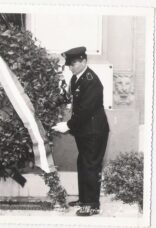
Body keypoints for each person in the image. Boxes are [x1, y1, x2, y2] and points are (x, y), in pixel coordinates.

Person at [52, 46, 109, 216]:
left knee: (90, 165)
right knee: (83, 163)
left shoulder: (91, 80)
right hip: (85, 131)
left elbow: (86, 110)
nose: (71, 67)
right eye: (69, 64)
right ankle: (85, 198)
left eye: (74, 63)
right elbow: (70, 98)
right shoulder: (77, 78)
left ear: (84, 61)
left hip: (94, 131)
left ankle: (92, 205)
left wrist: (68, 125)